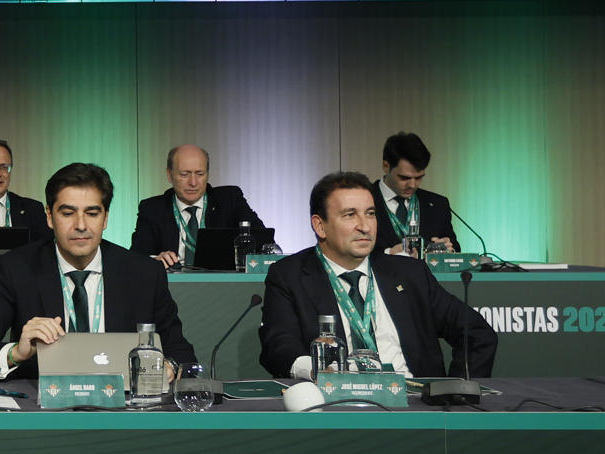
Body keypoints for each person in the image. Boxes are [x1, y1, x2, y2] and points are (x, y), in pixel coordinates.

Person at [0, 162, 195, 379]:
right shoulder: (18, 268)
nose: (81, 225)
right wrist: (16, 353)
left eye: (92, 213)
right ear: (50, 218)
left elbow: (182, 353)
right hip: (46, 416)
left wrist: (169, 366)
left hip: (124, 412)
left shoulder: (144, 274)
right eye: (68, 213)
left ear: (105, 218)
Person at [258, 171, 495, 379]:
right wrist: (317, 370)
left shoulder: (409, 273)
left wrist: (457, 391)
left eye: (370, 213)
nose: (365, 226)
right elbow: (278, 346)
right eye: (350, 215)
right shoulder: (290, 275)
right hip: (336, 407)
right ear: (320, 226)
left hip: (415, 407)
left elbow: (476, 332)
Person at [128, 144, 266, 269]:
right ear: (169, 175)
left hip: (222, 284)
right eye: (184, 174)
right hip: (172, 287)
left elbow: (265, 242)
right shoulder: (152, 209)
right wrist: (155, 261)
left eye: (200, 174)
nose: (193, 182)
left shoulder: (230, 200)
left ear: (207, 174)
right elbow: (135, 258)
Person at [372, 132, 461, 254]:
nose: (412, 185)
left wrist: (448, 251)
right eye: (404, 178)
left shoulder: (438, 204)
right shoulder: (363, 200)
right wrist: (388, 253)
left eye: (419, 178)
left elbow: (455, 249)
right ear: (386, 166)